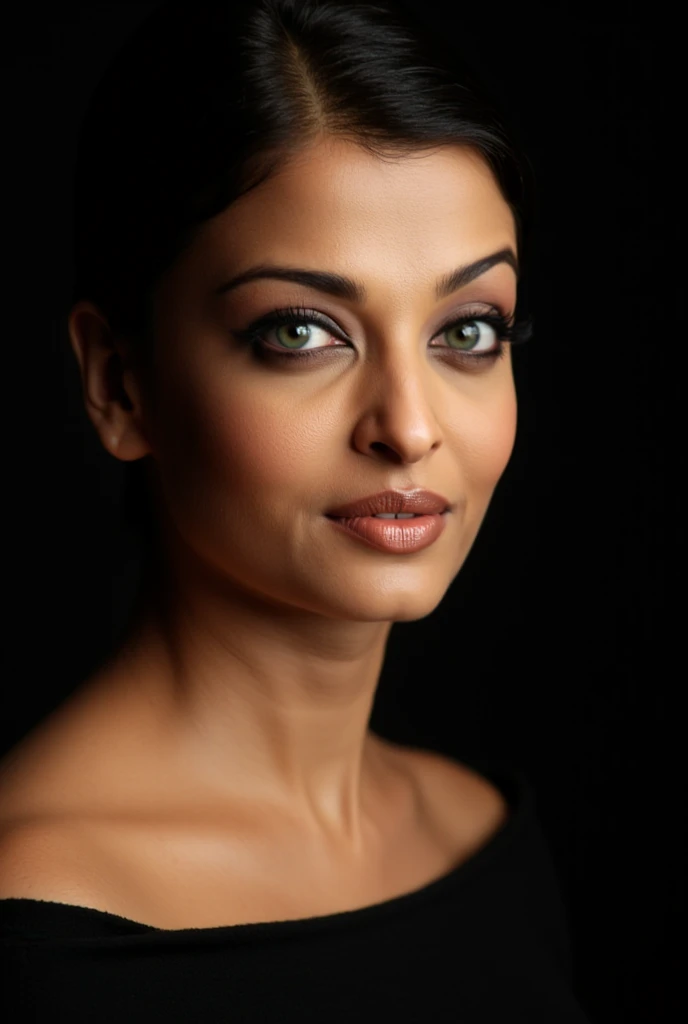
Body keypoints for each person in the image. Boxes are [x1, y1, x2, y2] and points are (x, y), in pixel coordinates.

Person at [0, 1, 591, 1020]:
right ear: (119, 383)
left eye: (467, 331)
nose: (408, 428)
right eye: (301, 331)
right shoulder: (33, 929)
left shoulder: (485, 833)